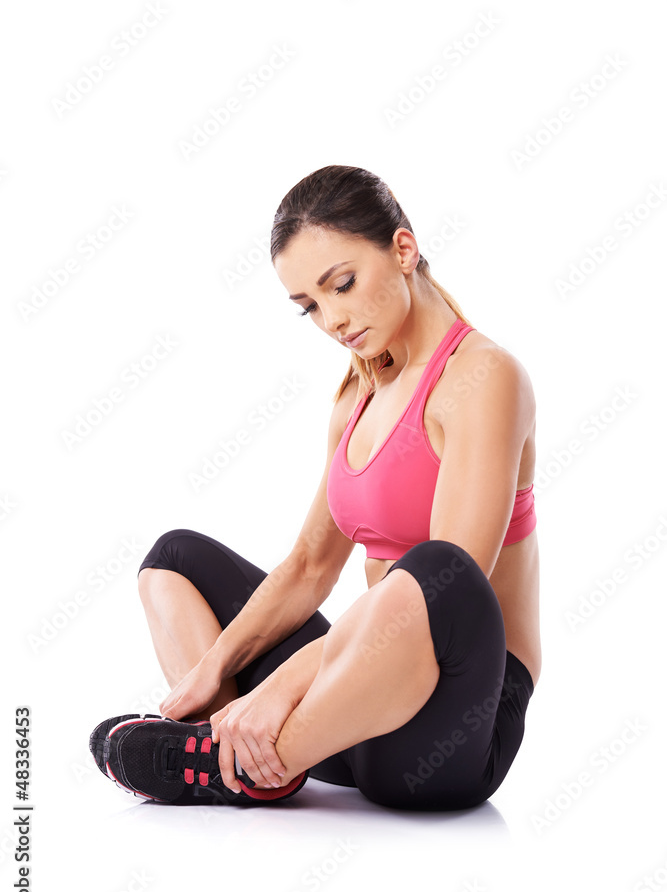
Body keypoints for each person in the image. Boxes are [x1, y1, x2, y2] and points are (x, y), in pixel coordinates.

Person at [89, 164, 540, 811]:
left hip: (452, 726)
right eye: (309, 307)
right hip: (354, 711)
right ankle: (240, 752)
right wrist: (215, 668)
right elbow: (308, 567)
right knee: (174, 559)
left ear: (403, 249)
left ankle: (230, 764)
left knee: (432, 569)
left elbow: (450, 583)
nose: (332, 320)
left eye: (342, 285)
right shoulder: (358, 395)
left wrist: (279, 688)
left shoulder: (484, 377)